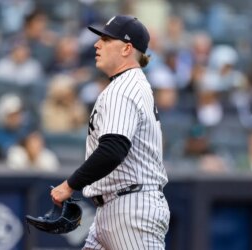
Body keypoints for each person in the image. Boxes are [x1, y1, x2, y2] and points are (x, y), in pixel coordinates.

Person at [50, 15, 170, 249]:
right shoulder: (132, 84)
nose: (97, 44)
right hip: (117, 207)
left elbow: (113, 149)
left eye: (106, 39)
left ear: (127, 48)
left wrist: (69, 185)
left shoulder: (123, 88)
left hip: (131, 209)